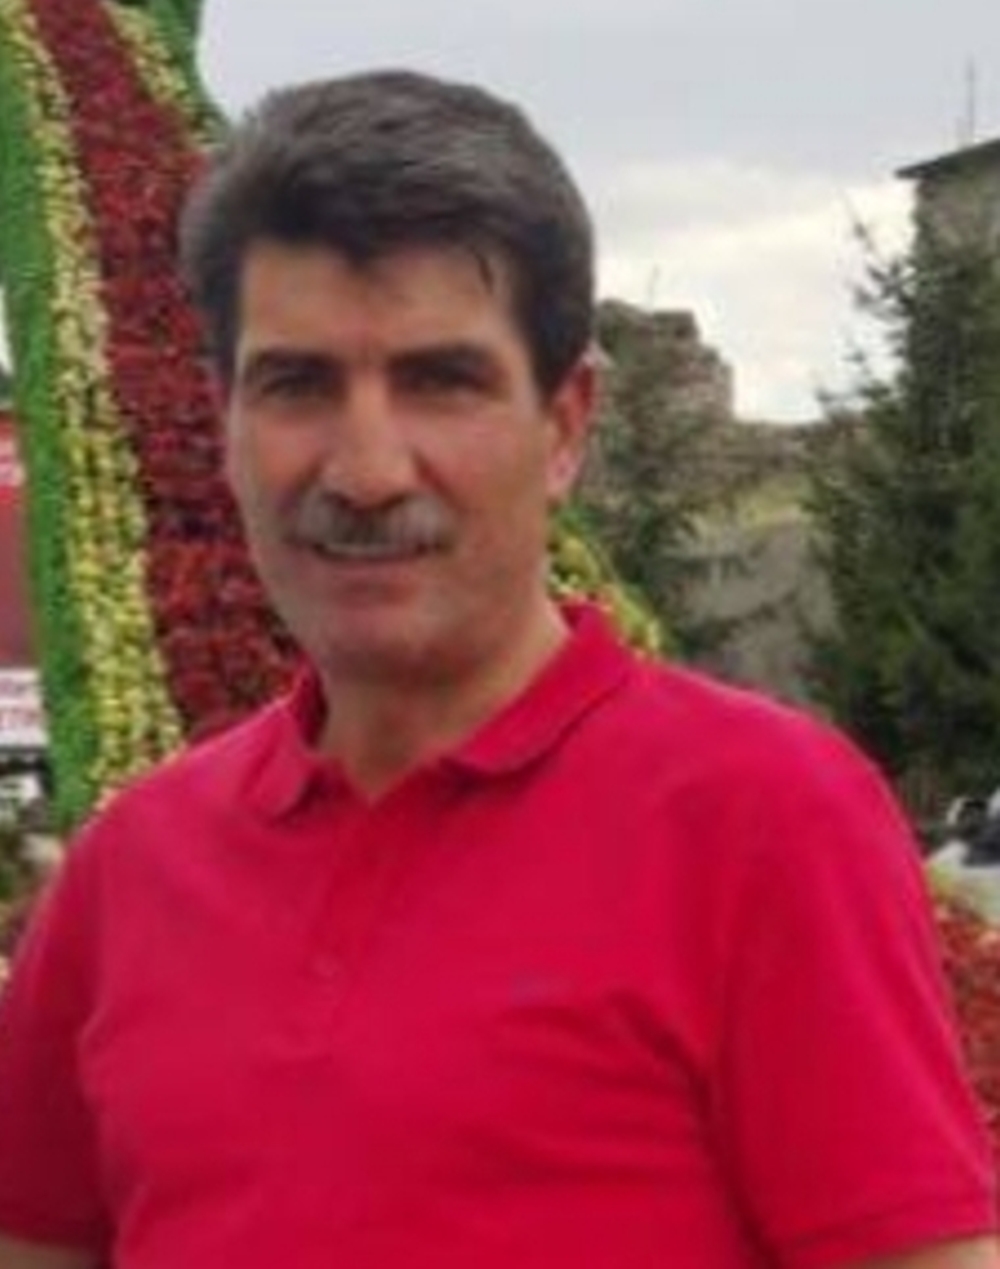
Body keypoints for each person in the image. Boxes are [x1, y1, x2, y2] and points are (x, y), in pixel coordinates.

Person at [0, 70, 995, 1269]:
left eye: (440, 381)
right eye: (298, 385)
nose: (367, 471)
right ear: (225, 420)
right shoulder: (130, 870)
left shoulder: (763, 821)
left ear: (565, 423)